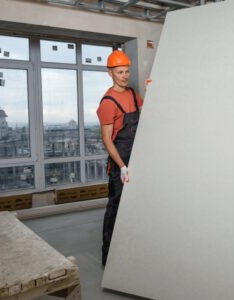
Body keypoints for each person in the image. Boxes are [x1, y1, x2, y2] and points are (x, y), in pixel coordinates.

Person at [96, 50, 143, 266]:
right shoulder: (108, 102)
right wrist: (123, 166)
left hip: (139, 160)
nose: (124, 76)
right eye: (120, 72)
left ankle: (133, 252)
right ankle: (110, 259)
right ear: (110, 73)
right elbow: (107, 140)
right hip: (120, 165)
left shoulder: (133, 94)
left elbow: (149, 112)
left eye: (127, 71)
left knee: (137, 207)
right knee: (115, 208)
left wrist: (155, 90)